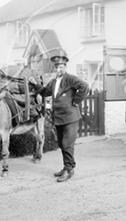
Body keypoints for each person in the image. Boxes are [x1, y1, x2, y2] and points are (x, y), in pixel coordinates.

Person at [29, 54, 88, 182]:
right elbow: (45, 92)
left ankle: (69, 170)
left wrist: (76, 102)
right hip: (59, 118)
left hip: (70, 118)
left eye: (60, 67)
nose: (58, 70)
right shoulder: (55, 81)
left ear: (65, 66)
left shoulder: (70, 78)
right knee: (62, 143)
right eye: (56, 67)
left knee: (67, 144)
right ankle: (68, 167)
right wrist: (35, 84)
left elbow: (85, 87)